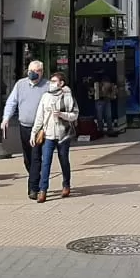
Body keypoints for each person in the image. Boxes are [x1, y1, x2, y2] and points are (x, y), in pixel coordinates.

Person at [1, 60, 50, 199]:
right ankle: (37, 178)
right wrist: (6, 118)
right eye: (30, 70)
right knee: (27, 158)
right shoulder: (20, 85)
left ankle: (33, 188)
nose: (32, 73)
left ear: (41, 72)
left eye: (35, 71)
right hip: (24, 127)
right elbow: (12, 102)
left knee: (35, 157)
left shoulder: (47, 86)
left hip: (39, 129)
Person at [31, 72, 79, 201]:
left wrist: (62, 114)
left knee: (63, 160)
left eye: (54, 81)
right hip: (49, 134)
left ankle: (66, 184)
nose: (51, 83)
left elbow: (75, 114)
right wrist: (34, 132)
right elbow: (39, 116)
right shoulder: (46, 97)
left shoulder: (68, 96)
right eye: (51, 81)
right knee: (46, 162)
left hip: (64, 134)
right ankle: (43, 190)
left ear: (61, 83)